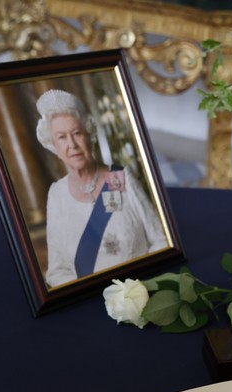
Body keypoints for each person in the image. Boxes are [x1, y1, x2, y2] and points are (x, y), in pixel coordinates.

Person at [35, 89, 166, 287]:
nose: (72, 144)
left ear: (90, 136)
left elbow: (161, 240)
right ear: (53, 145)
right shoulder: (56, 195)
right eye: (61, 137)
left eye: (77, 133)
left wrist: (140, 287)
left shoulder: (121, 178)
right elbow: (57, 271)